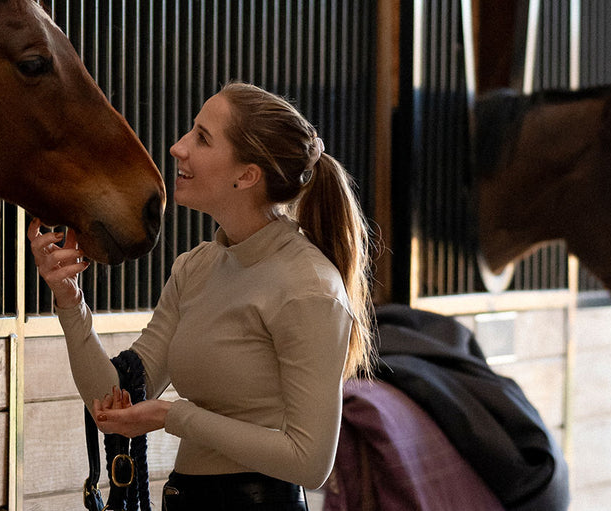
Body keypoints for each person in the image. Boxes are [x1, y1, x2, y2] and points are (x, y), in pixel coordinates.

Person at [29, 82, 374, 510]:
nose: (177, 147)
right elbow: (115, 397)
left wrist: (173, 416)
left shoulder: (310, 289)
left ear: (247, 175)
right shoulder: (195, 268)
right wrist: (69, 302)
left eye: (202, 138)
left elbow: (310, 462)